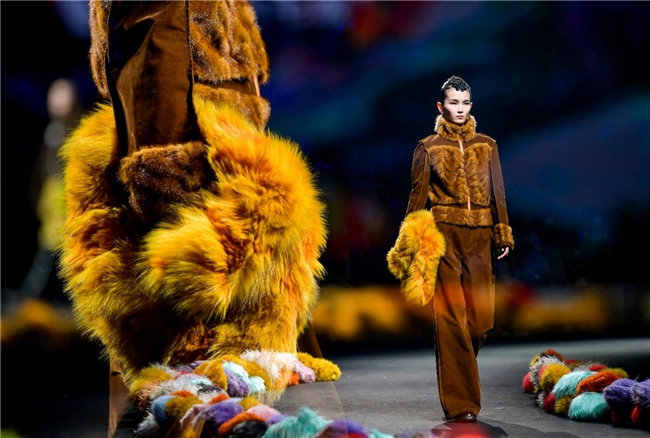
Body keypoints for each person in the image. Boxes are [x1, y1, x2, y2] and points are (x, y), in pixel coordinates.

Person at [404, 75, 515, 423]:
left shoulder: (487, 145)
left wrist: (502, 231)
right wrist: (410, 240)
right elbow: (418, 196)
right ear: (441, 106)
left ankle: (459, 370)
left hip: (481, 235)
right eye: (454, 103)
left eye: (465, 103)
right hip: (445, 236)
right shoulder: (428, 147)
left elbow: (498, 192)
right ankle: (462, 403)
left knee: (480, 321)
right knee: (451, 318)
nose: (460, 109)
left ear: (471, 105)